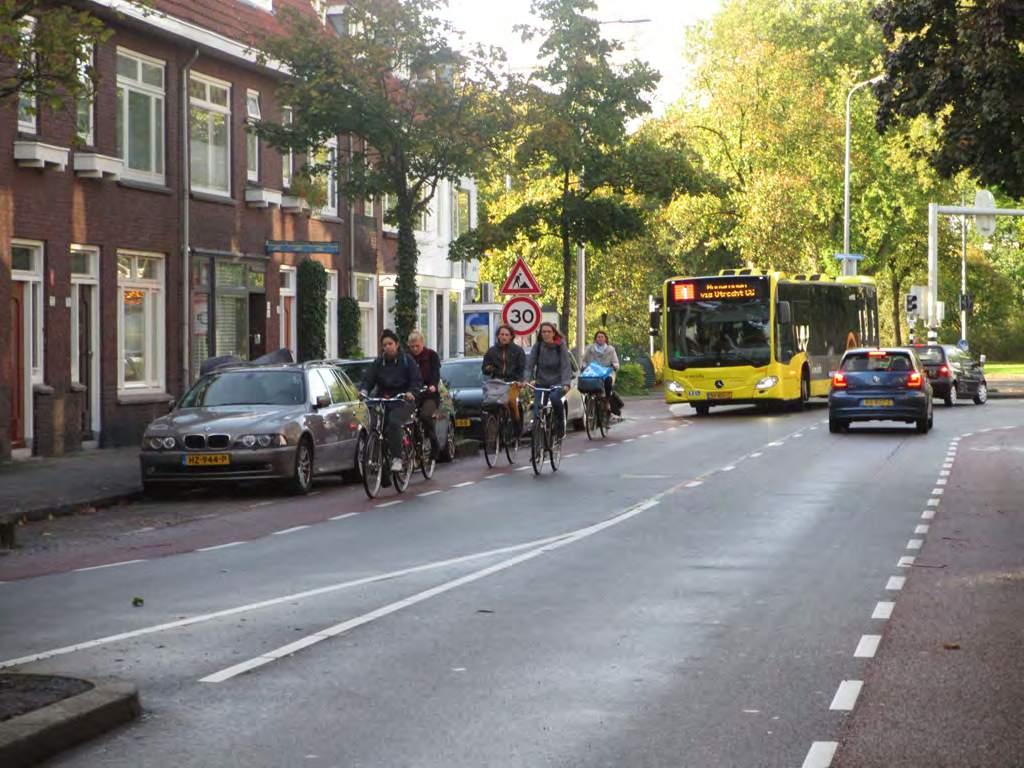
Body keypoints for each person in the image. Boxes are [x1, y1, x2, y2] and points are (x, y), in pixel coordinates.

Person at [359, 329, 422, 472]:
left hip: (403, 401)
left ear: (397, 344)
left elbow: (416, 379)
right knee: (377, 426)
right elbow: (369, 379)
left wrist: (411, 392)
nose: (387, 347)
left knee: (394, 422)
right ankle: (381, 463)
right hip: (384, 400)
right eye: (384, 344)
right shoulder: (378, 362)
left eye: (390, 343)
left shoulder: (407, 361)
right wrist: (364, 391)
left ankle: (398, 459)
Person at [527, 322, 572, 438]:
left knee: (554, 398)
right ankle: (537, 443)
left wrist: (566, 383)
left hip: (557, 383)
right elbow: (529, 365)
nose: (546, 334)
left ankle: (560, 424)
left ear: (554, 333)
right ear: (540, 334)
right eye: (543, 332)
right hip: (541, 382)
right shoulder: (538, 346)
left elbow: (566, 366)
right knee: (537, 409)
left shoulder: (560, 346)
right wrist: (527, 379)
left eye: (549, 332)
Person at [482, 324, 527, 430]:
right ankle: (493, 426)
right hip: (496, 382)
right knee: (489, 403)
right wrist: (489, 369)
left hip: (512, 382)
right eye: (501, 334)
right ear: (498, 336)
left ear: (511, 336)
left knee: (511, 401)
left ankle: (516, 427)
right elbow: (484, 368)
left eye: (507, 334)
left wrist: (519, 380)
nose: (504, 337)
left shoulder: (518, 351)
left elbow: (522, 368)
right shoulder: (491, 351)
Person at [407, 330, 441, 458]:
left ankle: (434, 443)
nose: (415, 349)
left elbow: (435, 373)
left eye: (417, 346)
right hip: (413, 394)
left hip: (429, 394)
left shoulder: (432, 355)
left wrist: (433, 385)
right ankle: (413, 444)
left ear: (422, 343)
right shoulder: (407, 358)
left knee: (425, 415)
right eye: (412, 347)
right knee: (407, 417)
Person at [582, 330, 622, 414]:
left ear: (605, 339)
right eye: (598, 337)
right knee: (584, 381)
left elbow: (616, 362)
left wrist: (614, 366)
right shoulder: (589, 348)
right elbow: (584, 360)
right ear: (595, 339)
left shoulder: (610, 350)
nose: (600, 339)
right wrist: (584, 366)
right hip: (593, 372)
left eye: (602, 337)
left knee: (608, 381)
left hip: (606, 372)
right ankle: (587, 402)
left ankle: (607, 401)